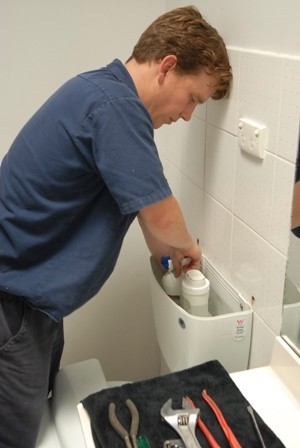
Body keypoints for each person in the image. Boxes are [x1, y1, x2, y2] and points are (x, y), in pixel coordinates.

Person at [0, 5, 232, 447]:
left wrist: (165, 252)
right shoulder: (117, 108)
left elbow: (147, 217)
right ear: (166, 66)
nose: (187, 115)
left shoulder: (100, 92)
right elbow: (163, 217)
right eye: (193, 99)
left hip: (34, 305)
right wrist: (190, 249)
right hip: (12, 309)